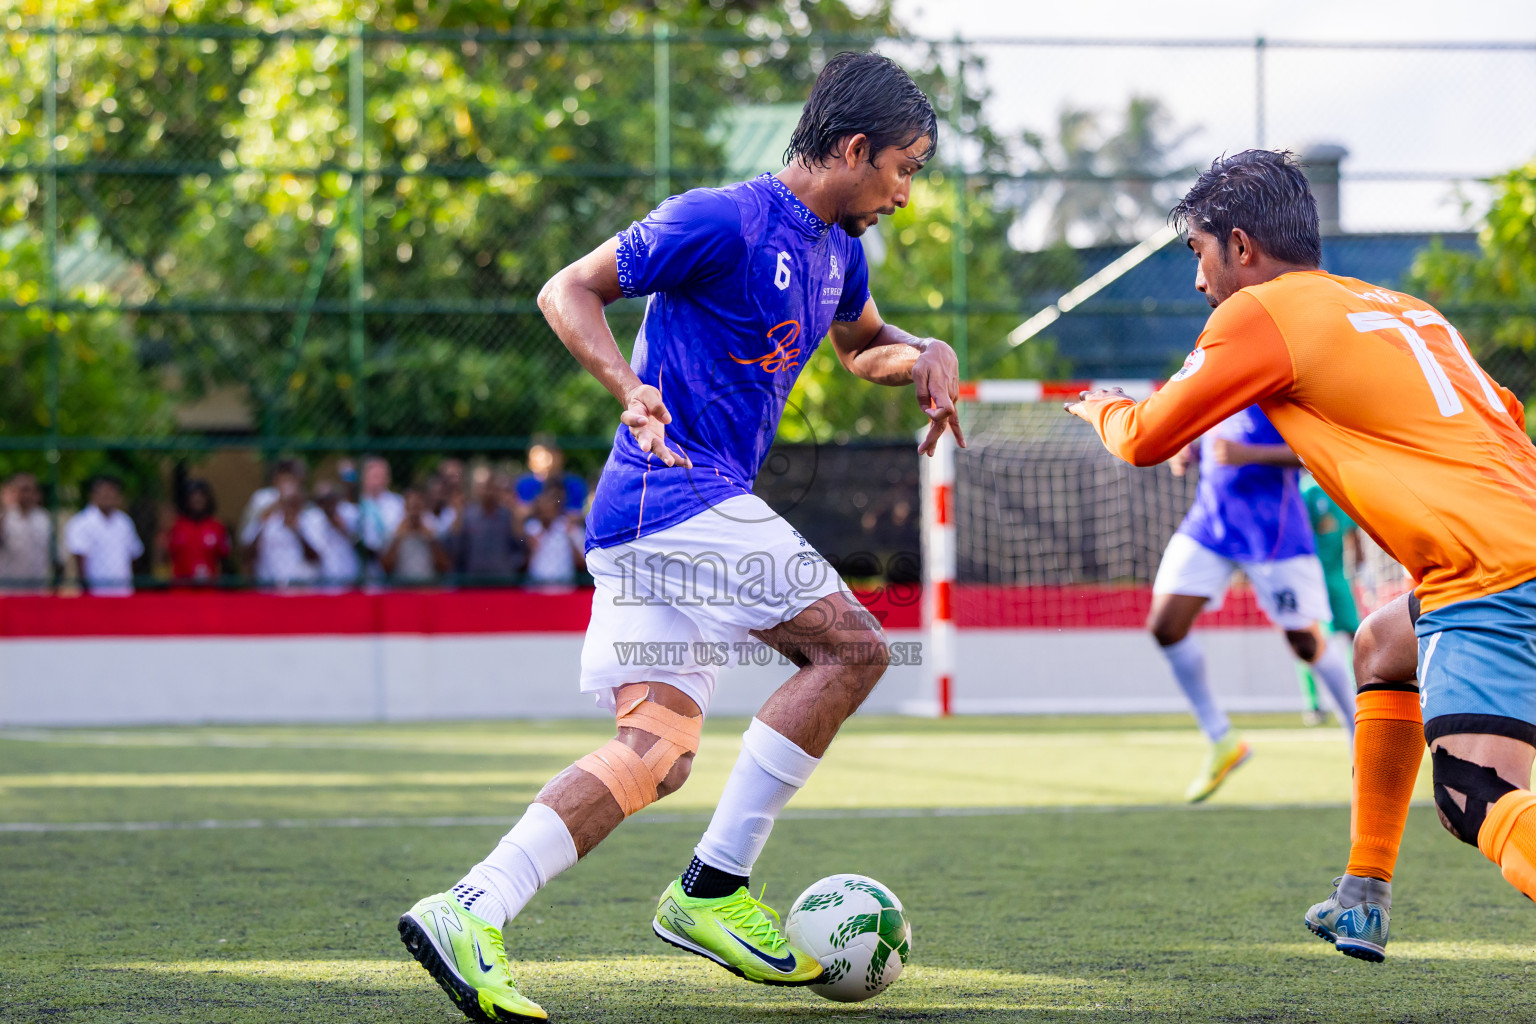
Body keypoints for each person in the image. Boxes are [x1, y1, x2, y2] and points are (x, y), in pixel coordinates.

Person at [398, 51, 963, 1022]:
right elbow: (567, 288)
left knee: (654, 752)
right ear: (856, 149)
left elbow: (863, 343)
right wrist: (628, 388)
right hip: (672, 492)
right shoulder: (725, 218)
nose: (905, 194)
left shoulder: (839, 251)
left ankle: (468, 909)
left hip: (658, 520)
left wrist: (925, 353)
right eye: (904, 169)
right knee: (855, 645)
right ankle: (711, 888)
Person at [1068, 148, 1536, 964]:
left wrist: (1103, 408)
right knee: (1381, 643)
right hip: (1516, 538)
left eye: (1198, 254)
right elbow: (1505, 412)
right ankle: (1364, 894)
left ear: (1241, 246)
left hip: (1492, 575)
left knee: (1473, 796)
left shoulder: (1262, 313)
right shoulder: (1407, 308)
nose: (1198, 280)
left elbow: (1145, 439)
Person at [1150, 411, 1356, 803]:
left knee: (1305, 644)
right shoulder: (1212, 378)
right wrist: (1190, 450)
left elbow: (1317, 452)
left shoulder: (1277, 383)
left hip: (1273, 534)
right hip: (1211, 525)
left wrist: (1249, 454)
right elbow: (1205, 430)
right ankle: (1221, 738)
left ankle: (1358, 733)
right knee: (1165, 625)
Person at [1295, 472, 1366, 725]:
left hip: (1337, 577)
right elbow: (1295, 533)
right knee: (1310, 637)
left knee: (1357, 636)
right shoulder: (1307, 490)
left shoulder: (1342, 487)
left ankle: (1361, 694)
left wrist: (1361, 564)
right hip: (1311, 576)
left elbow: (1353, 531)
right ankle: (1314, 705)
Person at [64, 475, 143, 596]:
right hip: (95, 592)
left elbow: (133, 554)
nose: (108, 497)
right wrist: (86, 589)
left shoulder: (124, 522)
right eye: (104, 493)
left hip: (123, 592)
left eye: (112, 493)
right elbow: (79, 558)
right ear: (93, 495)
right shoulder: (81, 522)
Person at [447, 467, 525, 581]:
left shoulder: (508, 516)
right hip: (474, 581)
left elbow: (521, 546)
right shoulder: (467, 517)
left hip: (503, 580)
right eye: (483, 487)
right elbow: (456, 549)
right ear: (476, 489)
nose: (487, 491)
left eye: (490, 486)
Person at [246, 477, 324, 588]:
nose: (290, 506)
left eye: (293, 501)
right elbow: (248, 556)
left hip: (303, 589)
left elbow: (316, 558)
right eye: (286, 501)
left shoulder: (313, 519)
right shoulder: (269, 521)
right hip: (271, 589)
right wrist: (261, 525)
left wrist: (297, 532)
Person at [165, 479, 230, 583]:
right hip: (181, 589)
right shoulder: (176, 526)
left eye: (201, 496)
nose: (197, 500)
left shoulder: (217, 527)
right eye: (193, 496)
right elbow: (165, 558)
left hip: (209, 590)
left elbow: (224, 560)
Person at [381, 487, 450, 584]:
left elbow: (444, 566)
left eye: (417, 507)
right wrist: (398, 539)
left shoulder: (434, 527)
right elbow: (386, 567)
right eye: (410, 507)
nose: (414, 512)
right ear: (404, 508)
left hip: (427, 588)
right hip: (402, 588)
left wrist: (431, 540)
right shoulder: (393, 530)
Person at [0, 472, 54, 591]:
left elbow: (52, 553)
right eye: (23, 490)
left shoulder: (43, 518)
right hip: (9, 588)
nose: (27, 494)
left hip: (37, 587)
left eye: (30, 490)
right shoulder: (6, 518)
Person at [356, 456, 405, 580]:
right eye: (374, 476)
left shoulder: (398, 503)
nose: (377, 481)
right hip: (362, 566)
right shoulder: (356, 503)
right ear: (364, 477)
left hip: (393, 565)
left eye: (381, 476)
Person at [522, 489, 585, 585]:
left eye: (549, 507)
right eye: (543, 507)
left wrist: (571, 539)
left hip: (563, 585)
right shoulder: (531, 527)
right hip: (536, 585)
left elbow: (583, 561)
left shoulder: (568, 527)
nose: (546, 511)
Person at [514, 437, 587, 513]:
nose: (547, 461)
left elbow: (577, 512)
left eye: (550, 455)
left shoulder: (575, 484)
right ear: (530, 461)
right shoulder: (524, 484)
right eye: (539, 457)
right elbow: (521, 511)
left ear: (561, 457)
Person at [311, 481, 361, 588]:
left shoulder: (350, 512)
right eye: (323, 501)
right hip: (323, 581)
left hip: (349, 577)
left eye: (330, 500)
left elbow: (359, 543)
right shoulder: (312, 517)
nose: (327, 505)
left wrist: (342, 527)